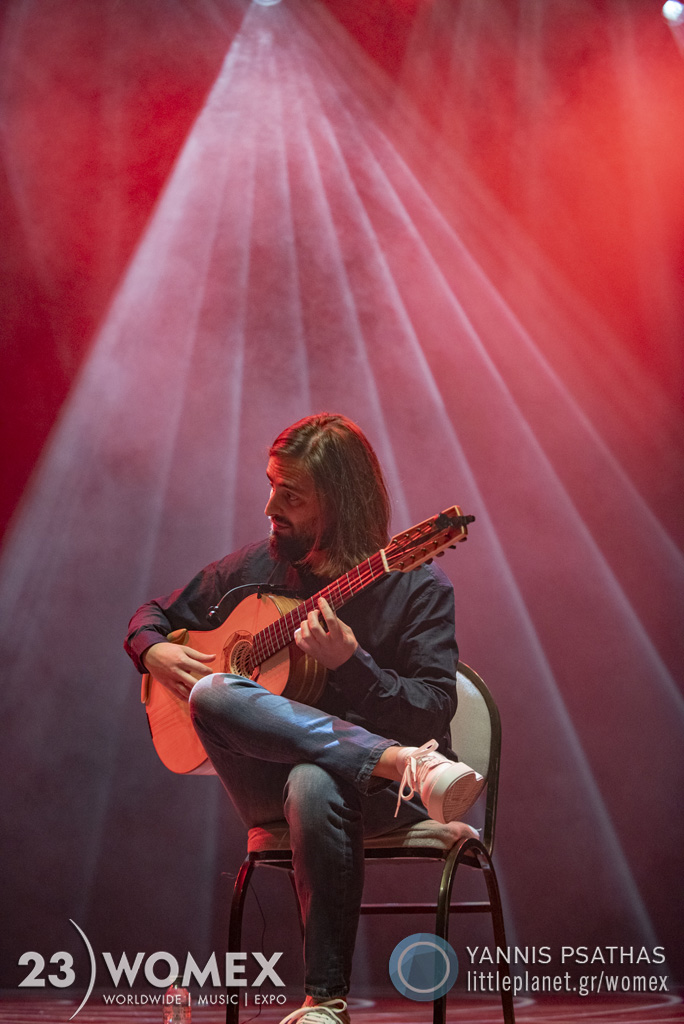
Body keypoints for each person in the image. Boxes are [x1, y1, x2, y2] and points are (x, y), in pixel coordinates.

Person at [124, 413, 483, 1024]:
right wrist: (152, 650)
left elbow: (431, 708)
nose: (270, 506)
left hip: (380, 800)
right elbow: (151, 613)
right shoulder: (255, 570)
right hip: (298, 784)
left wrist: (350, 664)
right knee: (211, 692)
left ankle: (324, 1003)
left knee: (315, 779)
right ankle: (404, 765)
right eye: (270, 485)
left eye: (290, 496)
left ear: (338, 503)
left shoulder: (418, 586)